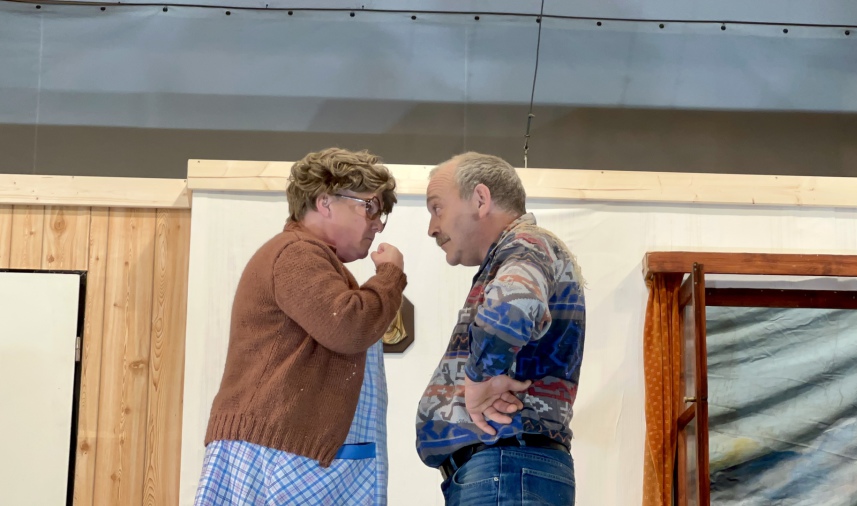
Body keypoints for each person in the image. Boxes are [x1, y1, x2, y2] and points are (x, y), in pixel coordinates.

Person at [194, 147, 406, 506]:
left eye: (381, 213)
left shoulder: (309, 257)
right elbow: (349, 327)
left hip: (285, 449)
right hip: (280, 455)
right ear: (325, 202)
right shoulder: (297, 253)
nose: (377, 223)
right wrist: (390, 276)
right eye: (370, 207)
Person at [415, 152, 586, 505]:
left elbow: (512, 308)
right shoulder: (523, 250)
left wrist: (478, 379)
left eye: (437, 208)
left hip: (505, 469)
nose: (432, 227)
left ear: (480, 199)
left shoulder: (526, 244)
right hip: (508, 470)